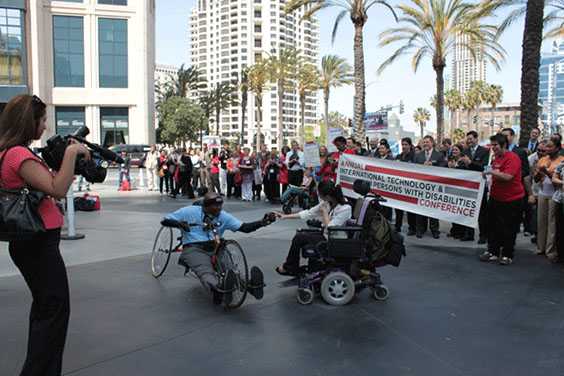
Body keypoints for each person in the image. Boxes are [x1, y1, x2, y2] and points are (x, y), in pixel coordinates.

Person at [0, 94, 91, 375]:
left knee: (46, 310)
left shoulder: (13, 152)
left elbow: (44, 185)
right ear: (29, 122)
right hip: (37, 244)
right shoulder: (17, 154)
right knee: (53, 312)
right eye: (42, 121)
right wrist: (71, 154)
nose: (44, 127)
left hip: (33, 244)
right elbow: (57, 188)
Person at [161, 192, 274, 304]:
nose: (218, 209)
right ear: (205, 206)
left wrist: (263, 222)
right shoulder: (189, 211)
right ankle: (218, 288)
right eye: (215, 206)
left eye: (220, 205)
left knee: (231, 270)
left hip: (216, 246)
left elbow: (244, 227)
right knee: (205, 270)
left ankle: (251, 285)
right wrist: (179, 224)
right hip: (194, 248)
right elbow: (165, 220)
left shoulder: (223, 215)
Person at [274, 180, 352, 276]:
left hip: (334, 240)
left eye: (320, 196)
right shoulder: (328, 203)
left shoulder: (345, 208)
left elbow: (331, 228)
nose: (320, 198)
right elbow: (309, 213)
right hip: (325, 235)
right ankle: (292, 266)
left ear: (327, 196)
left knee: (299, 238)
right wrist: (284, 216)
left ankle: (290, 267)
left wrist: (324, 213)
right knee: (300, 235)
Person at [480, 134, 525, 265]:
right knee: (492, 226)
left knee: (509, 228)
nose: (493, 148)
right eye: (491, 145)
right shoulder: (495, 158)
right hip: (495, 198)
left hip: (512, 199)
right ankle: (492, 251)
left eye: (495, 145)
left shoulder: (513, 158)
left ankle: (507, 254)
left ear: (503, 145)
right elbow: (494, 175)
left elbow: (507, 177)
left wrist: (491, 172)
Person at [533, 138, 564, 261]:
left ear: (557, 148)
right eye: (546, 147)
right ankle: (540, 248)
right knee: (541, 222)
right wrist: (539, 173)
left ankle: (550, 251)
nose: (547, 149)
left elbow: (559, 180)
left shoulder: (561, 161)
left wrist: (547, 171)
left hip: (555, 194)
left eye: (550, 147)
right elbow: (535, 179)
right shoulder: (542, 159)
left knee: (552, 223)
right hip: (542, 192)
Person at [413, 135, 446, 238]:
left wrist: (433, 166)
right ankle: (420, 230)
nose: (425, 144)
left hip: (434, 187)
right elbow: (413, 169)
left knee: (433, 209)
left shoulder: (439, 155)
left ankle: (435, 230)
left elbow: (444, 167)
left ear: (432, 143)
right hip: (421, 186)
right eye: (424, 142)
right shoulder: (418, 155)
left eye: (427, 142)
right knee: (420, 209)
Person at [460, 130, 490, 243]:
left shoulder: (485, 151)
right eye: (468, 139)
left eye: (471, 138)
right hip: (468, 186)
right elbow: (463, 166)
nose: (469, 141)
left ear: (476, 139)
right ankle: (469, 234)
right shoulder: (465, 151)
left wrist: (470, 163)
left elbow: (484, 167)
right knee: (468, 210)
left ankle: (483, 235)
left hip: (481, 185)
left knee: (482, 212)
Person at [447, 144, 471, 240]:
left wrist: (454, 168)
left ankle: (462, 233)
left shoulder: (463, 160)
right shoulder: (450, 160)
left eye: (456, 150)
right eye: (453, 150)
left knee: (461, 211)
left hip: (463, 189)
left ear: (460, 151)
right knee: (454, 211)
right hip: (453, 189)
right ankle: (454, 231)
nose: (454, 151)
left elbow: (464, 172)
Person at [395, 137, 416, 235]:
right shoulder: (398, 156)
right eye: (402, 144)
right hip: (399, 187)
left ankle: (412, 228)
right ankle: (397, 226)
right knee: (398, 208)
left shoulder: (414, 157)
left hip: (410, 187)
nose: (404, 146)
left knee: (410, 209)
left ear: (410, 145)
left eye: (406, 144)